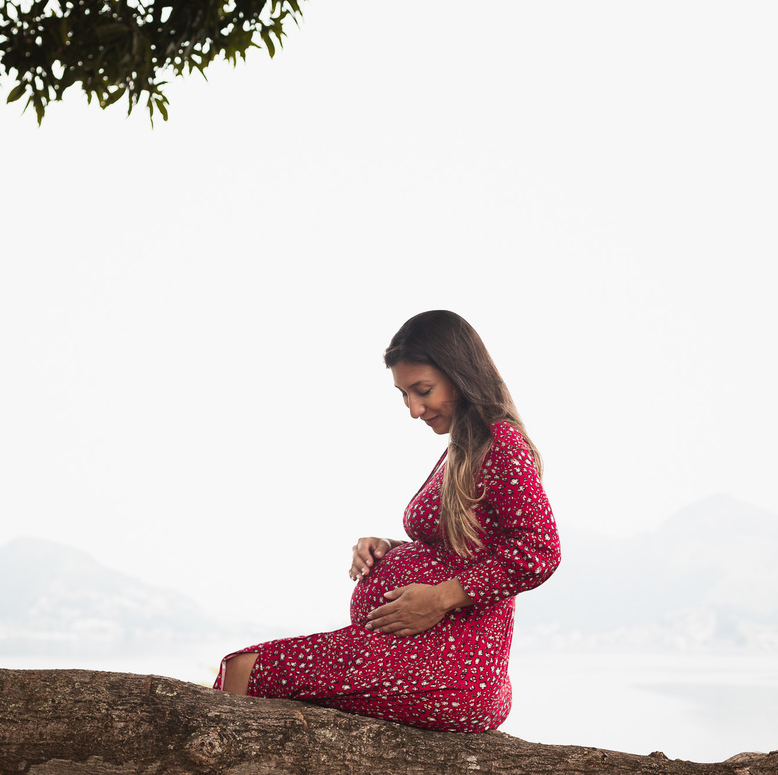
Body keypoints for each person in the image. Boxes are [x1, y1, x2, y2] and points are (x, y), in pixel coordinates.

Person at [213, 310, 560, 733]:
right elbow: (464, 545)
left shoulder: (500, 443)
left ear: (460, 374)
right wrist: (390, 548)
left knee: (246, 669)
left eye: (423, 390)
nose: (414, 409)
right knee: (245, 670)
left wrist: (440, 598)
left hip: (453, 668)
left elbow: (539, 550)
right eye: (403, 394)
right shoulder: (462, 448)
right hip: (433, 658)